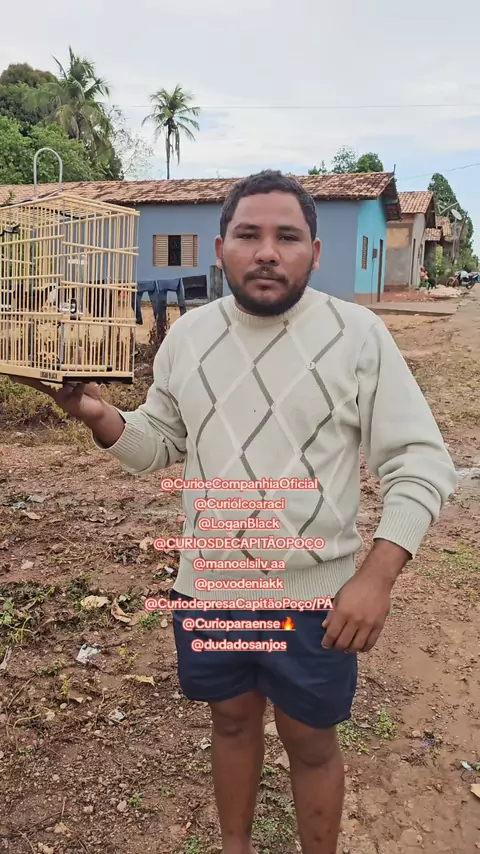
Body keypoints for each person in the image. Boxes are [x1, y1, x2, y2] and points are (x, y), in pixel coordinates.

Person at [9, 170, 458, 854]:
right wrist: (100, 415)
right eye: (249, 235)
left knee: (311, 743)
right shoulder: (188, 339)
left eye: (288, 237)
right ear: (221, 249)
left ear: (315, 252)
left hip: (315, 603)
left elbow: (421, 461)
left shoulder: (359, 337)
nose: (267, 252)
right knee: (231, 722)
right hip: (212, 589)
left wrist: (377, 577)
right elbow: (161, 442)